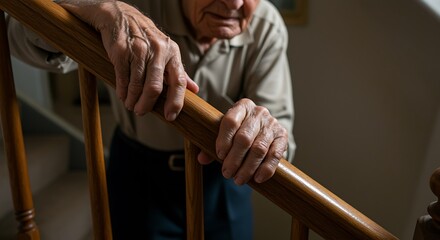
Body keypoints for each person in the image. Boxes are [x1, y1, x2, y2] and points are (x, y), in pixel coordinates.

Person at [6, 0, 295, 239]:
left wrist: (266, 133)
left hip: (223, 185)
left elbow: (283, 144)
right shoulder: (135, 3)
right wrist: (100, 9)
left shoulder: (267, 25)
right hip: (139, 174)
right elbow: (19, 33)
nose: (235, 3)